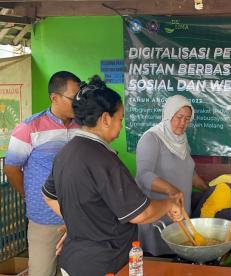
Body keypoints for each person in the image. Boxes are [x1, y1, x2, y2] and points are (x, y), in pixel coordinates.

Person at [41, 76, 182, 275]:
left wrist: (80, 225)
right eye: (120, 119)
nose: (121, 126)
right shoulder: (103, 160)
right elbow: (141, 214)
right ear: (106, 119)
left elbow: (48, 195)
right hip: (104, 264)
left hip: (73, 261)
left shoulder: (66, 153)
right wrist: (169, 204)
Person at [4, 71, 81, 276]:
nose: (79, 103)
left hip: (78, 219)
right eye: (74, 98)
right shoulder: (30, 127)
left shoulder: (82, 127)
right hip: (44, 220)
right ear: (54, 97)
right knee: (42, 272)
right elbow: (11, 169)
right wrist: (28, 195)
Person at [135, 94, 208, 257]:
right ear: (168, 114)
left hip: (180, 217)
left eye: (187, 119)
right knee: (159, 265)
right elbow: (143, 175)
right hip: (157, 218)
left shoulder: (182, 141)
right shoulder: (152, 138)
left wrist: (208, 189)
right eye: (179, 117)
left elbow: (190, 173)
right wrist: (171, 190)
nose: (183, 123)